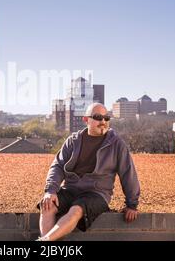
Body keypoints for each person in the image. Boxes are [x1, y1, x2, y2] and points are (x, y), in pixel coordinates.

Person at [36, 103, 140, 241]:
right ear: (86, 120)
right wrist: (51, 190)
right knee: (47, 205)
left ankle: (45, 241)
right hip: (70, 189)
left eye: (106, 118)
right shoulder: (73, 141)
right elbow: (58, 166)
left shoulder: (116, 144)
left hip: (97, 193)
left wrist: (132, 204)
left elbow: (128, 173)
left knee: (76, 210)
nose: (103, 122)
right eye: (98, 117)